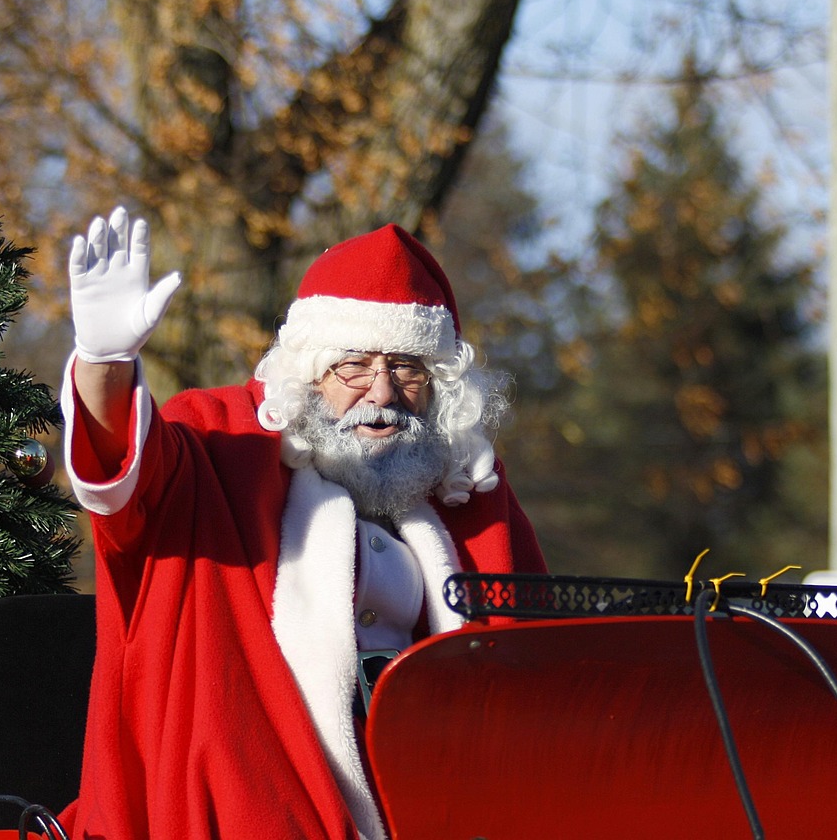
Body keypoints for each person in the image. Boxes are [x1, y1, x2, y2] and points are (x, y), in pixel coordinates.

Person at [58, 207, 547, 840]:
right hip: (259, 808)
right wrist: (104, 362)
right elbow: (123, 480)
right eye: (354, 366)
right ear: (309, 376)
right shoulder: (223, 448)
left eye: (406, 368)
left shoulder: (471, 496)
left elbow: (544, 668)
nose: (382, 393)